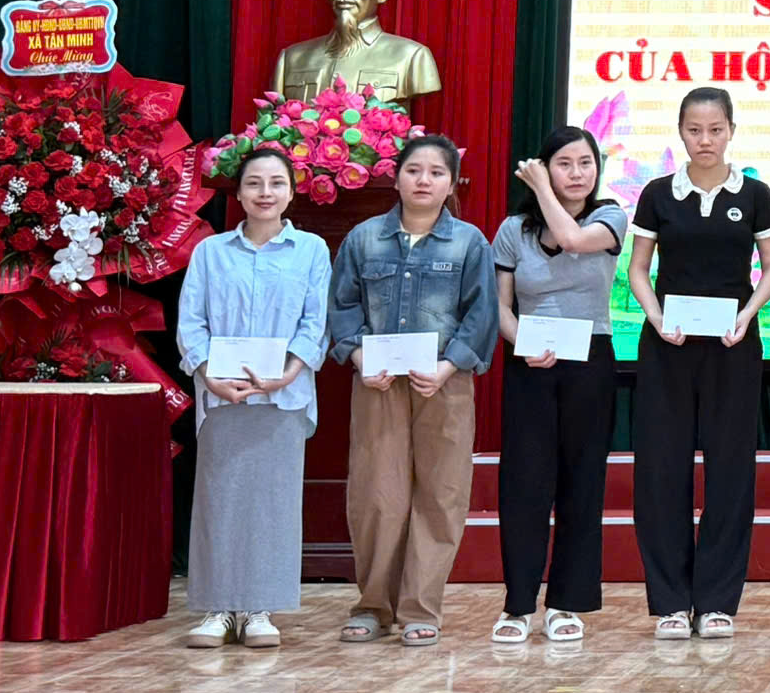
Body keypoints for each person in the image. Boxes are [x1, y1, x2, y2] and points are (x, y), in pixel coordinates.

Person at [327, 133, 495, 647]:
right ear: (396, 178)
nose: (424, 181)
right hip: (377, 384)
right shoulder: (363, 239)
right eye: (414, 171)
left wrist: (447, 367)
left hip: (443, 384)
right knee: (377, 494)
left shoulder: (469, 242)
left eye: (436, 173)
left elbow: (481, 314)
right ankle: (372, 606)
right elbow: (342, 307)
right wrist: (359, 358)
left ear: (452, 184)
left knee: (440, 495)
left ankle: (421, 608)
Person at [626, 87, 770, 640]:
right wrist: (656, 316)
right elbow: (639, 269)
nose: (705, 140)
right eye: (694, 130)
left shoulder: (755, 194)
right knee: (661, 471)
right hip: (667, 346)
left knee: (730, 471)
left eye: (715, 130)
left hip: (733, 345)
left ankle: (717, 602)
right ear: (681, 132)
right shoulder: (657, 194)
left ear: (731, 131)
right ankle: (670, 602)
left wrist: (747, 314)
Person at [176, 145, 329, 649]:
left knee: (273, 504)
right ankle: (218, 608)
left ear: (292, 192)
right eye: (254, 183)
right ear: (238, 194)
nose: (266, 193)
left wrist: (288, 373)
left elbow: (315, 321)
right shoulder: (210, 252)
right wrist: (208, 376)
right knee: (219, 500)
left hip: (284, 397)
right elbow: (191, 322)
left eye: (277, 183)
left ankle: (260, 608)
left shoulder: (311, 251)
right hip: (223, 395)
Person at [491, 124, 627, 644]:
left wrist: (541, 186)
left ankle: (567, 602)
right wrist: (522, 341)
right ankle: (517, 605)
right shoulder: (513, 231)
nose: (577, 173)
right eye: (563, 164)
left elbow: (572, 240)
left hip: (590, 359)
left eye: (585, 163)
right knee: (524, 483)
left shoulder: (609, 216)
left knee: (582, 482)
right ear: (547, 168)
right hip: (531, 360)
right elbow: (501, 306)